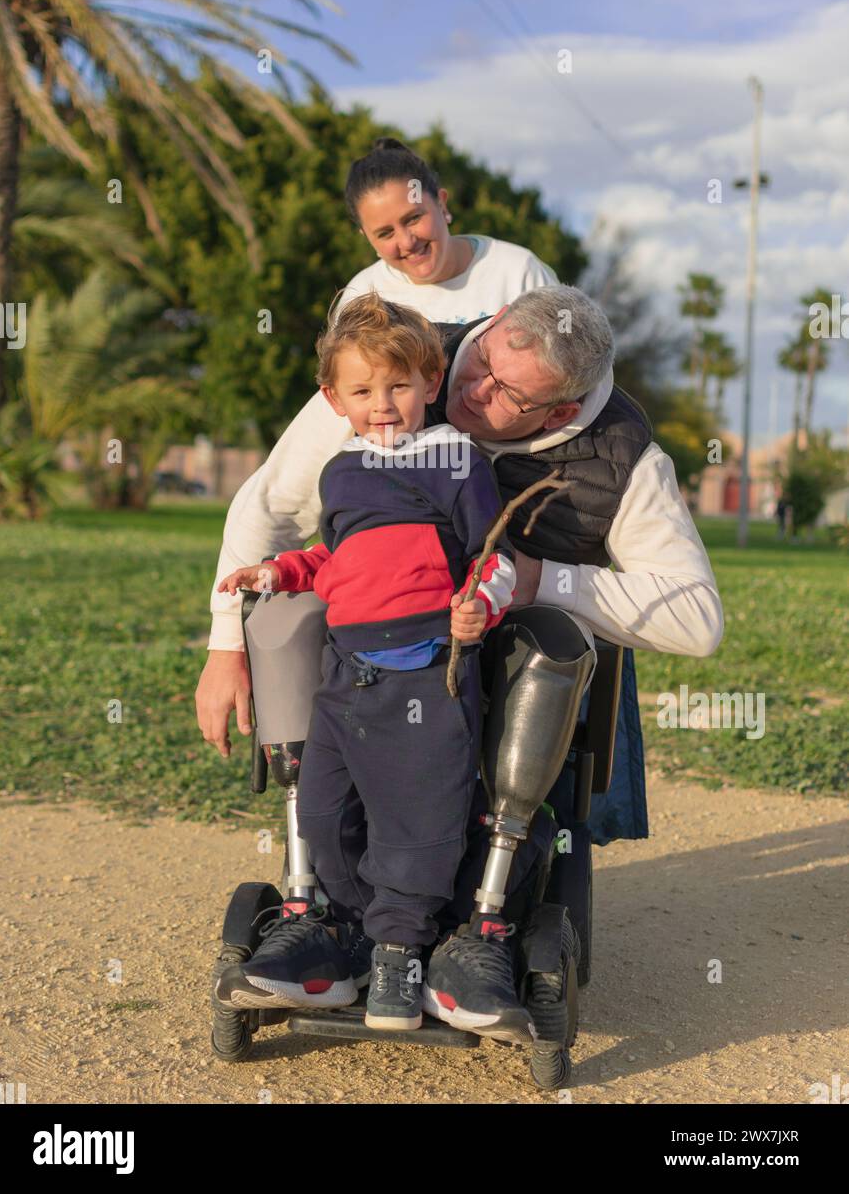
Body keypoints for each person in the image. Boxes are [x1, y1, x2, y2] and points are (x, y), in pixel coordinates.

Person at [197, 285, 724, 1036]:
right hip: (363, 640)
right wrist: (226, 643)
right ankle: (323, 914)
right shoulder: (401, 357)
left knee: (542, 648)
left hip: (472, 646)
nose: (470, 388)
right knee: (289, 619)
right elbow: (266, 506)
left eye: (505, 391)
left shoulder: (624, 455)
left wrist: (540, 579)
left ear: (559, 414)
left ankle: (468, 926)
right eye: (480, 356)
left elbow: (700, 620)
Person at [213, 293, 518, 1034]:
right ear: (333, 399)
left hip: (429, 674)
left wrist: (483, 601)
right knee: (322, 813)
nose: (384, 405)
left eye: (400, 387)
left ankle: (399, 950)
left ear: (431, 380)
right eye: (362, 391)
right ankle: (349, 936)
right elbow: (336, 558)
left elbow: (495, 557)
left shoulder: (456, 460)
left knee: (418, 818)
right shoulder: (342, 471)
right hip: (346, 676)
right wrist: (280, 573)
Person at [337, 137, 561, 324]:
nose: (406, 242)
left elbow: (577, 362)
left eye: (414, 218)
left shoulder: (518, 273)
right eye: (385, 233)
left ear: (442, 204)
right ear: (367, 238)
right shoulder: (361, 298)